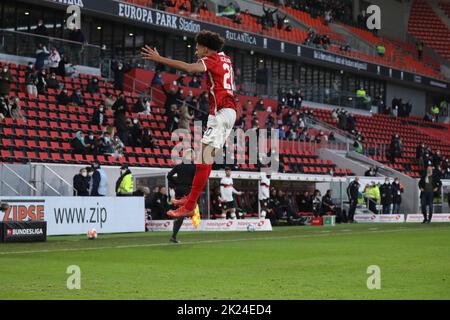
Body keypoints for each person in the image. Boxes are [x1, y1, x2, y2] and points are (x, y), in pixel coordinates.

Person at [142, 30, 238, 219]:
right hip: (225, 112)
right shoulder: (225, 58)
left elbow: (189, 68)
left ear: (205, 47)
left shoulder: (212, 59)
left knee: (202, 160)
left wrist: (159, 58)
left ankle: (190, 204)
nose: (195, 52)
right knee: (204, 161)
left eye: (197, 48)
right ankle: (190, 200)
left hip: (222, 112)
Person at [167, 149, 197, 243]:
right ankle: (175, 230)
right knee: (188, 212)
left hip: (179, 190)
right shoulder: (194, 167)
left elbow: (169, 175)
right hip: (188, 191)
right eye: (192, 155)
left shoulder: (179, 165)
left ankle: (174, 234)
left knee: (182, 213)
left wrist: (177, 184)